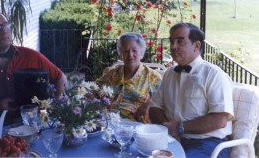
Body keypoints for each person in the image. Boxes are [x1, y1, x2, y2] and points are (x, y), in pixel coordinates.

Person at [0, 11, 67, 124]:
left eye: (6, 25)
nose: (4, 30)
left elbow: (60, 77)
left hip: (35, 128)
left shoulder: (31, 56)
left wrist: (56, 104)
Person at [149, 23, 234, 158]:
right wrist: (168, 127)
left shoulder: (214, 75)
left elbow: (219, 119)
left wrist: (179, 127)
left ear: (197, 46)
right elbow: (154, 108)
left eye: (180, 41)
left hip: (207, 143)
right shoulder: (169, 73)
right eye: (172, 41)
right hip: (171, 138)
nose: (173, 46)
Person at [96, 32, 162, 122]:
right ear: (121, 55)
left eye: (134, 51)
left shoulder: (153, 77)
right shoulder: (112, 73)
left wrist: (148, 104)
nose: (130, 55)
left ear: (141, 54)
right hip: (108, 123)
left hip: (138, 126)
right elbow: (92, 88)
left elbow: (166, 99)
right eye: (126, 51)